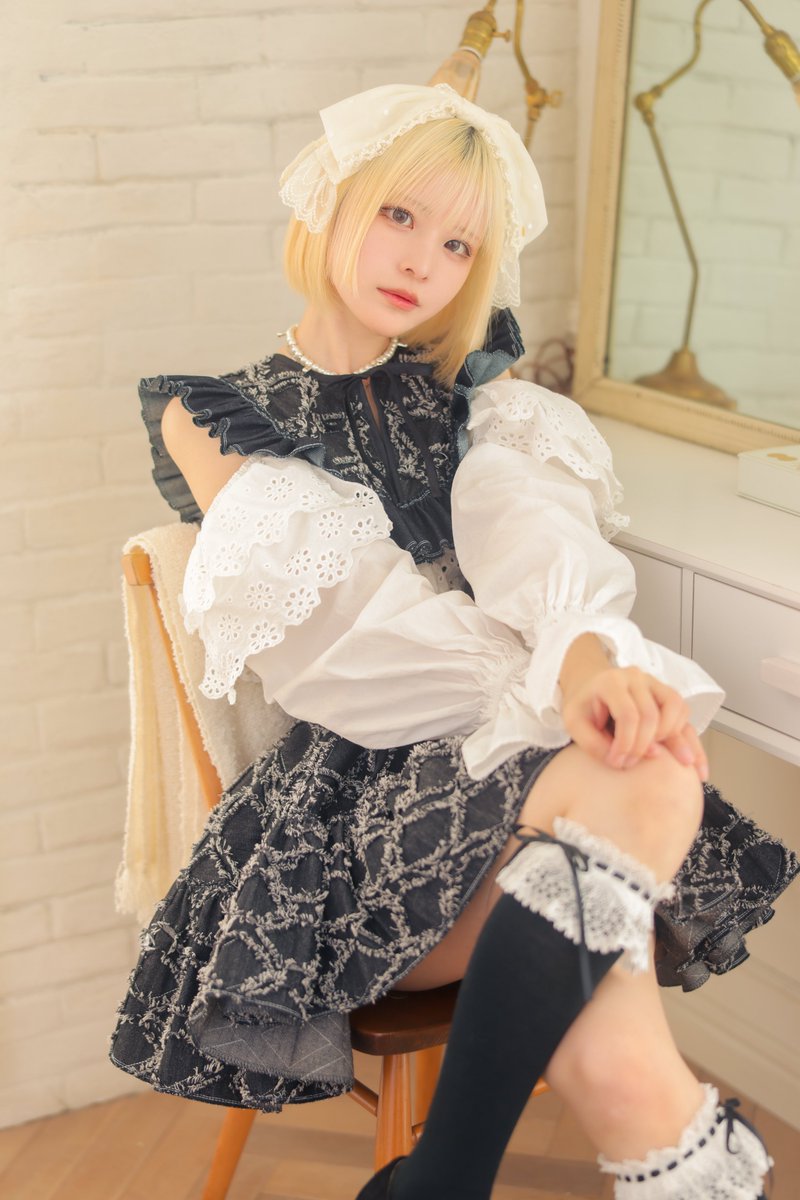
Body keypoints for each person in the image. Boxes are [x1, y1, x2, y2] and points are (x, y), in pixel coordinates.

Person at [110, 83, 796, 1200]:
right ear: (334, 201)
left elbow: (534, 540)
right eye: (399, 215)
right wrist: (554, 688)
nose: (421, 261)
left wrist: (586, 663)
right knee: (651, 784)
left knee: (624, 795)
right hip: (351, 813)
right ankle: (631, 1161)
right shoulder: (220, 414)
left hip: (527, 768)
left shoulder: (481, 400)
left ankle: (442, 1180)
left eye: (457, 243)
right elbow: (354, 644)